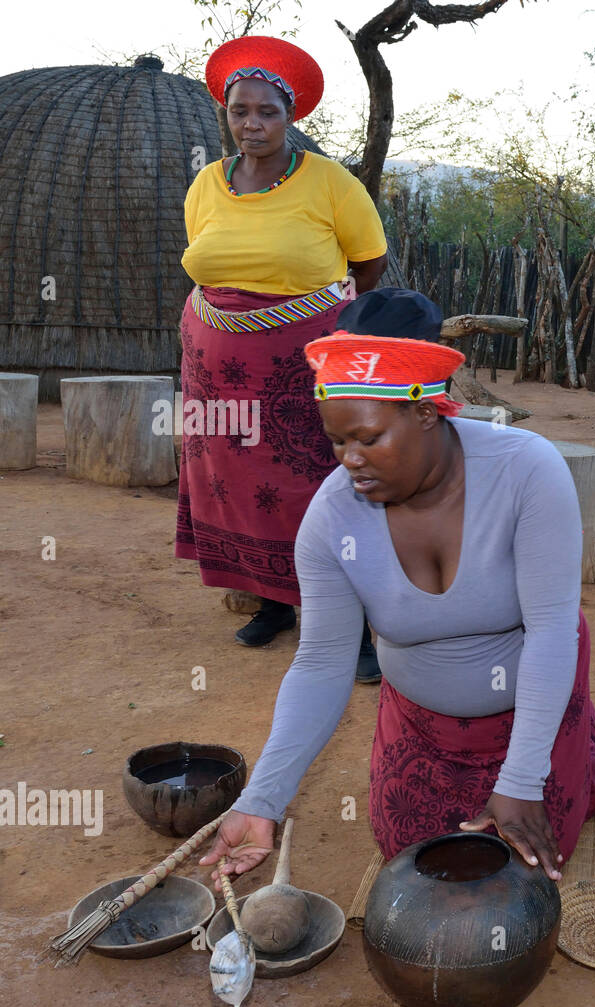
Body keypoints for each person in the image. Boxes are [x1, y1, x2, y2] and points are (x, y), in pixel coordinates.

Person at [199, 288, 595, 886]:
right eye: (336, 440)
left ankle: (565, 758)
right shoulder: (331, 520)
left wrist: (523, 779)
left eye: (369, 439)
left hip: (532, 710)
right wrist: (263, 799)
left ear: (427, 412)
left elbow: (553, 630)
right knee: (419, 865)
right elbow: (323, 661)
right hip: (422, 730)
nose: (349, 459)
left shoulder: (527, 471)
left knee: (520, 871)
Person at [177, 35, 388, 680]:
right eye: (241, 111)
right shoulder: (208, 185)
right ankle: (271, 603)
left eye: (267, 111)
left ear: (289, 116)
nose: (253, 124)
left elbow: (369, 263)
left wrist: (327, 327)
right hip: (214, 366)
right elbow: (205, 261)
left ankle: (348, 627)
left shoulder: (330, 182)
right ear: (228, 115)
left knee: (316, 481)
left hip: (302, 364)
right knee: (238, 483)